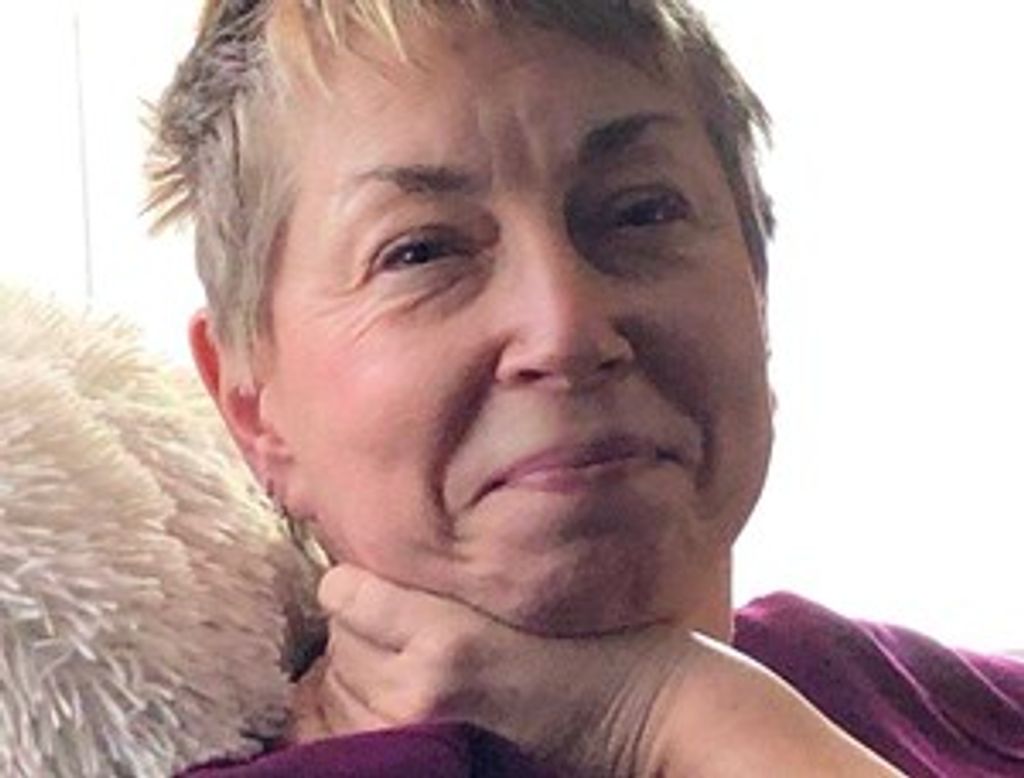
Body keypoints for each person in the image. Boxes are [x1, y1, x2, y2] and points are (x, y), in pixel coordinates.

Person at [151, 1, 1024, 776]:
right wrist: (655, 715)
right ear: (252, 408)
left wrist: (690, 707)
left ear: (758, 289)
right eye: (422, 251)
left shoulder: (953, 709)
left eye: (642, 211)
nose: (565, 328)